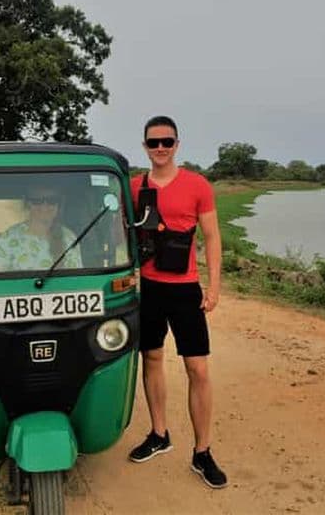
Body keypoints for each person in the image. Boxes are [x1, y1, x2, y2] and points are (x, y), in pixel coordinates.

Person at [128, 115, 227, 489]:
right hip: (149, 287)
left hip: (186, 289)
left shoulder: (197, 185)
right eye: (153, 143)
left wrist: (213, 287)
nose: (160, 149)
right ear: (144, 147)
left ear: (177, 144)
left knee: (197, 369)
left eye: (166, 142)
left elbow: (213, 237)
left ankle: (202, 452)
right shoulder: (134, 187)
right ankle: (159, 433)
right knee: (151, 358)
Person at [0, 186, 83, 272]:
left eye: (52, 200)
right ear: (28, 204)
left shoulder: (69, 237)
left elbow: (77, 279)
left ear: (59, 204)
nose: (44, 206)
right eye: (37, 201)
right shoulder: (10, 237)